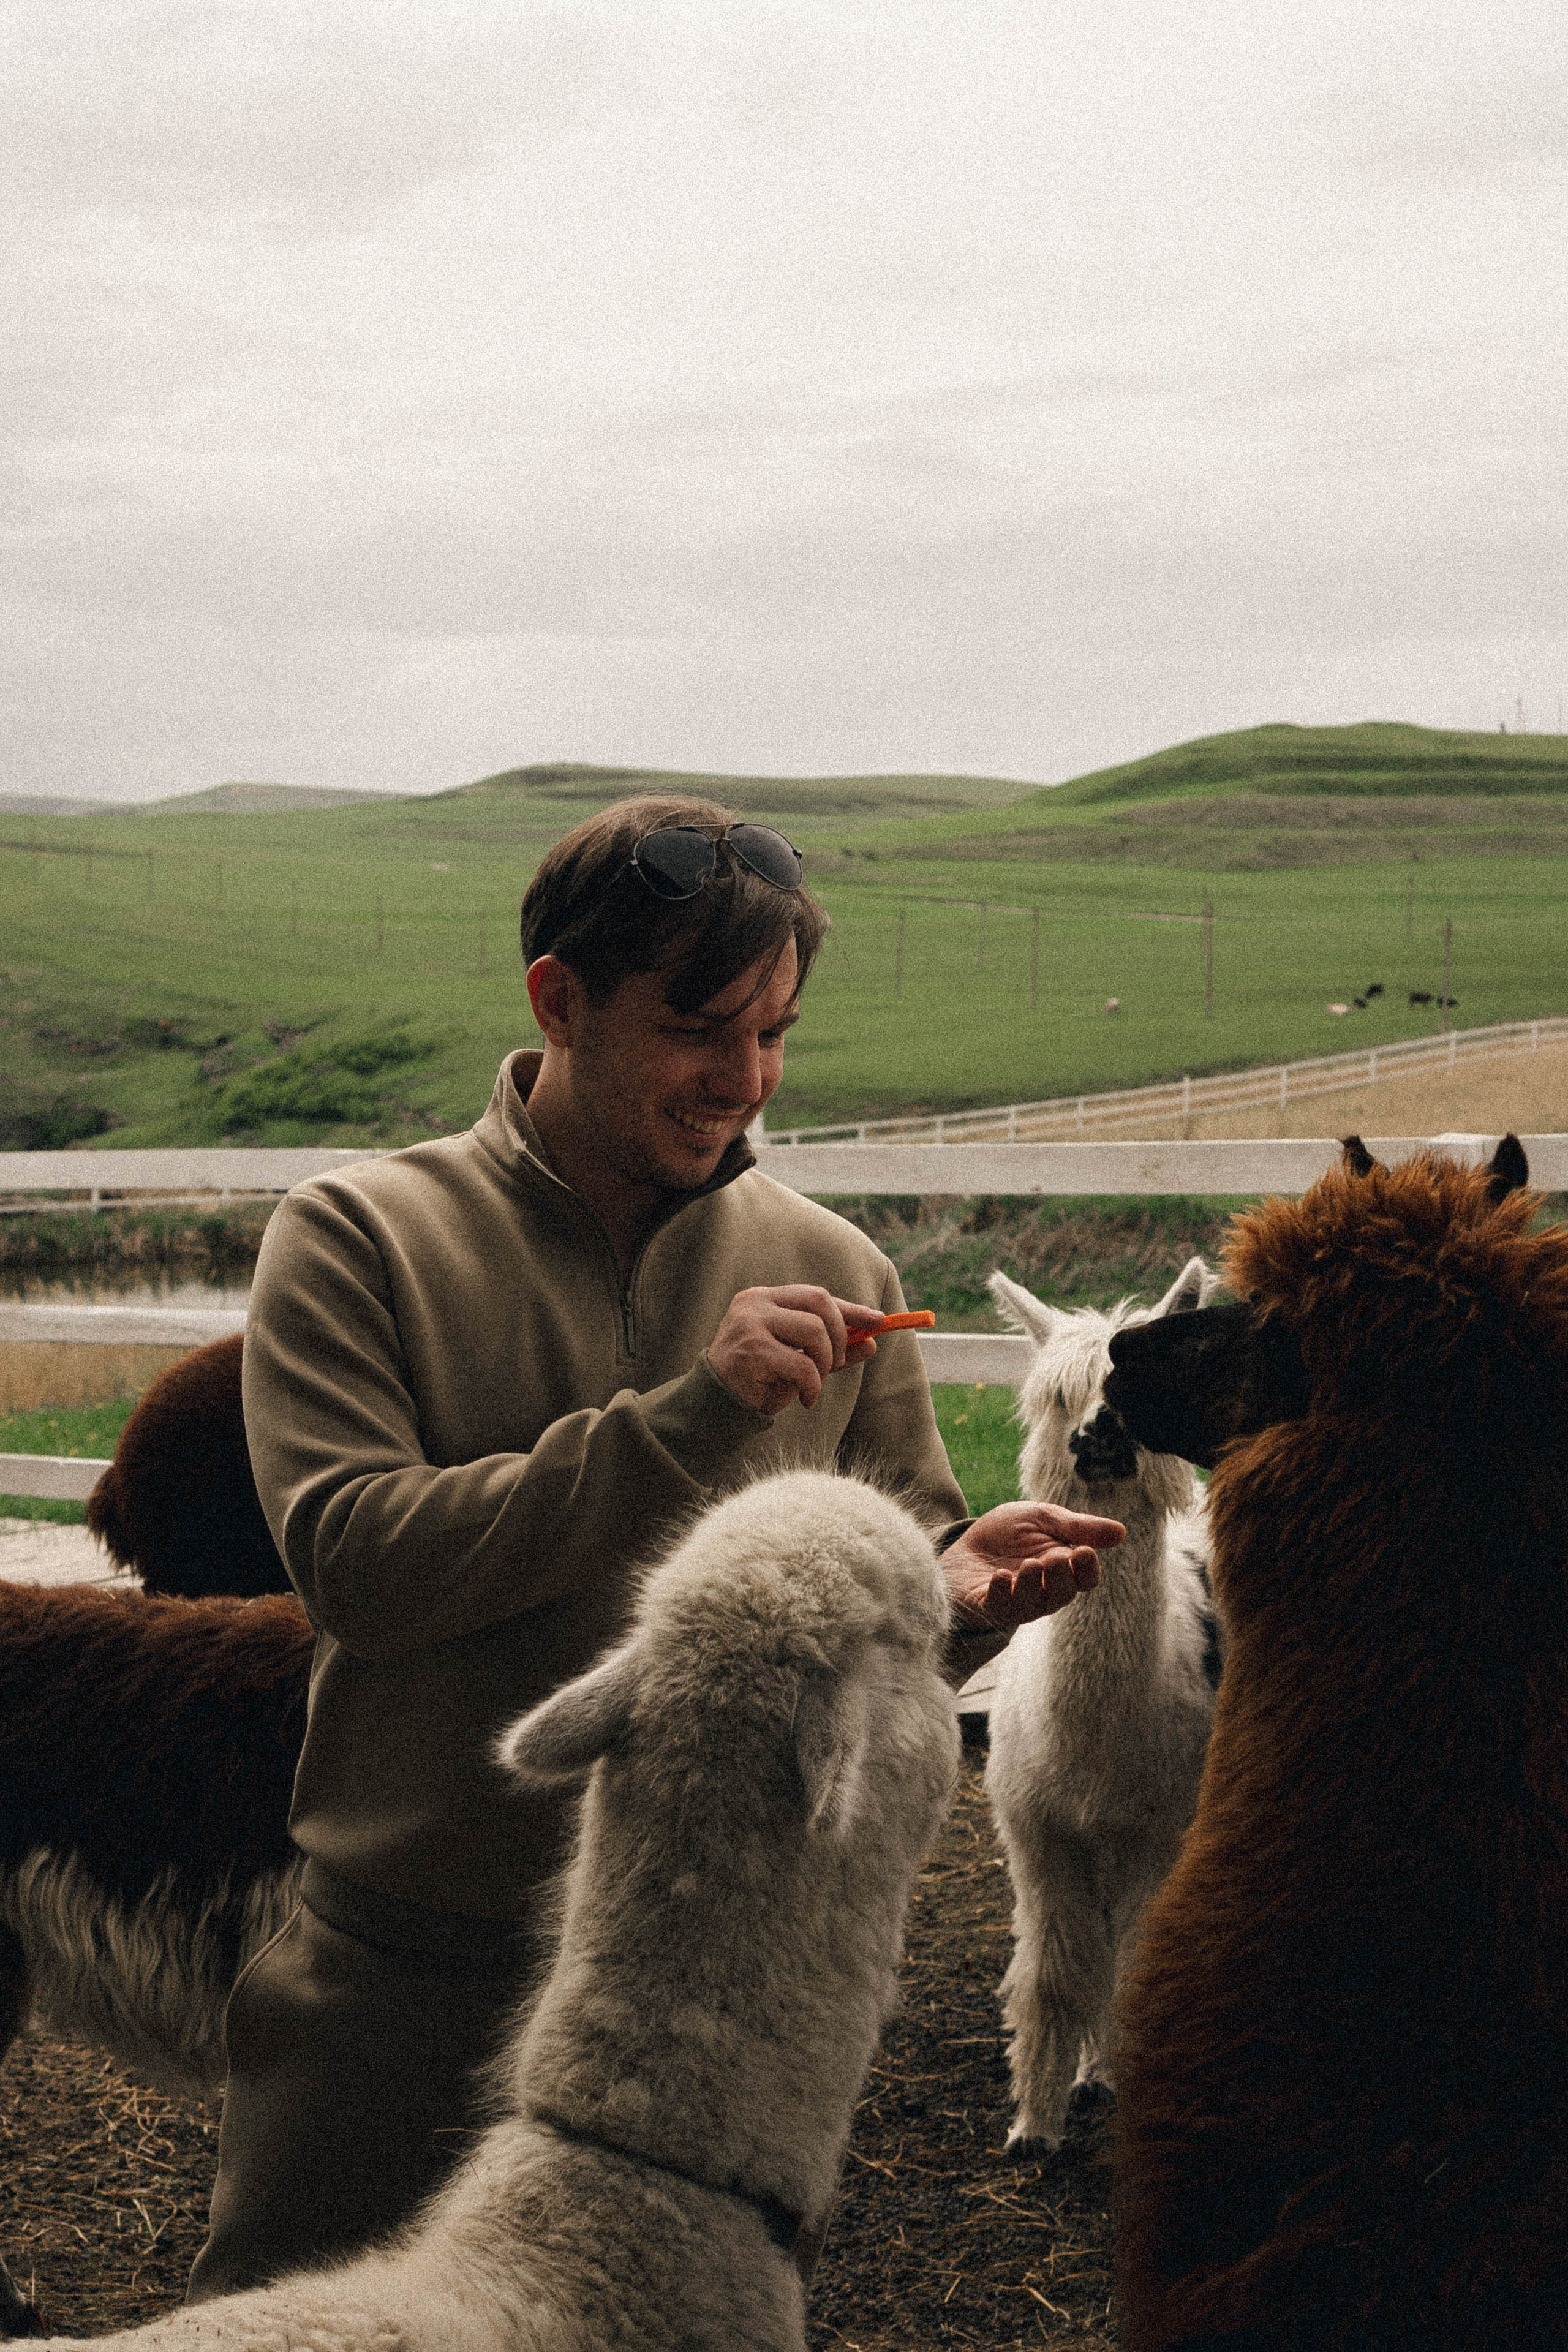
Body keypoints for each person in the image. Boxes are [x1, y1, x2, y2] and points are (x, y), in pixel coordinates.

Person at [189, 793, 1123, 2302]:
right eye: (700, 1029)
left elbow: (909, 1595)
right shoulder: (356, 1236)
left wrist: (961, 1596)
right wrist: (683, 1417)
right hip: (401, 1988)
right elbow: (356, 1564)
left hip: (703, 2028)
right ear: (557, 1001)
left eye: (774, 1036)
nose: (741, 1083)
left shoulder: (839, 1268)